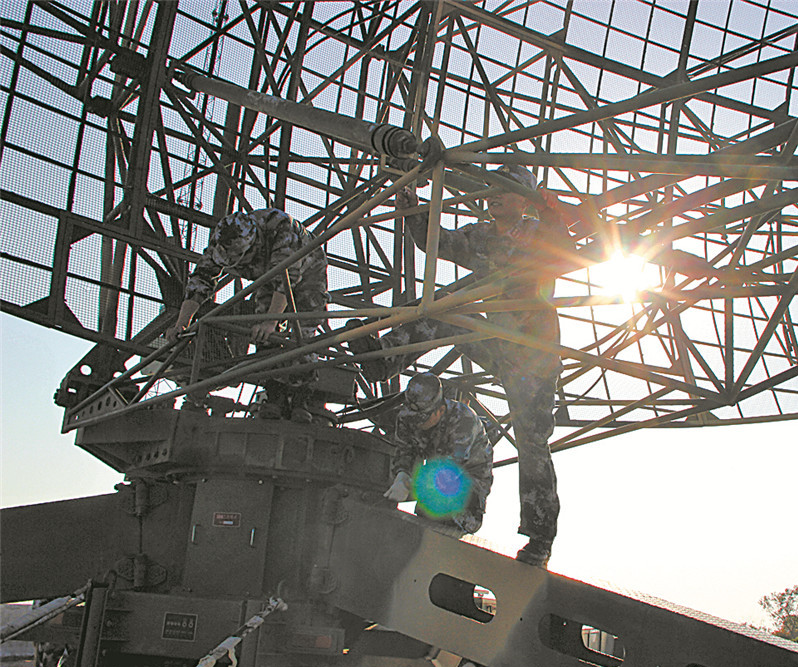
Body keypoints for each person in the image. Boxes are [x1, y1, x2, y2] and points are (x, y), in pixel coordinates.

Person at [351, 165, 572, 568]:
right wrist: (412, 202)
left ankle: (539, 538)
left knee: (532, 443)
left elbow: (565, 248)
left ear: (523, 200)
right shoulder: (481, 236)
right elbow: (434, 241)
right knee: (445, 309)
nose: (492, 194)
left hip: (533, 357)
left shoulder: (539, 233)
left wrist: (548, 207)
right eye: (490, 187)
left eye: (503, 189)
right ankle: (385, 360)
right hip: (497, 340)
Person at [165, 208, 329, 423]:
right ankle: (275, 394)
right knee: (263, 332)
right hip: (268, 275)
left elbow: (286, 278)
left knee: (303, 330)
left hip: (308, 271)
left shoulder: (281, 228)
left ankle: (300, 398)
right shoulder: (223, 238)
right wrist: (182, 323)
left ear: (254, 245)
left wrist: (271, 321)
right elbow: (202, 278)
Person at [383, 373, 493, 536]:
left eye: (422, 418)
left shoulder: (464, 420)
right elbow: (405, 449)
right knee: (423, 518)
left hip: (466, 479)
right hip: (433, 475)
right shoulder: (407, 417)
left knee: (447, 516)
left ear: (440, 410)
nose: (417, 424)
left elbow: (449, 470)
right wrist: (402, 474)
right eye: (414, 418)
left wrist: (412, 485)